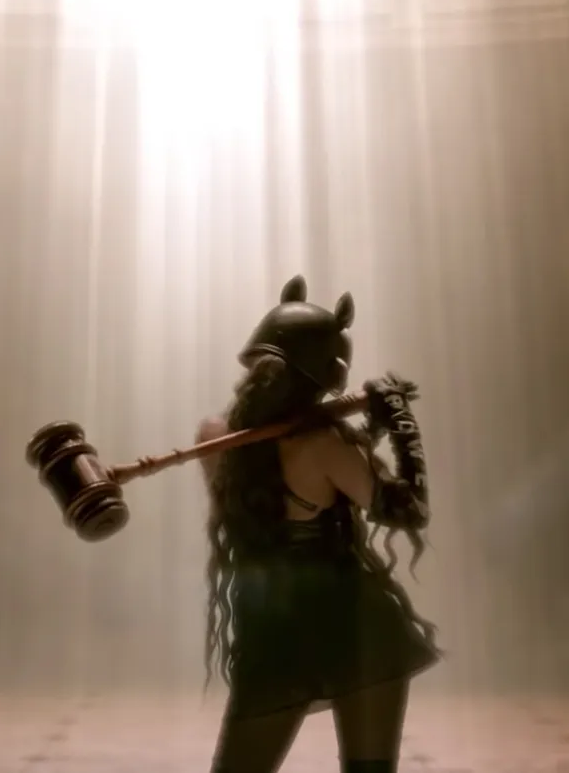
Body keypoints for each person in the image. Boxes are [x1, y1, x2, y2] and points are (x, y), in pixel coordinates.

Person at [198, 275, 440, 773]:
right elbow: (409, 508)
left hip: (272, 631)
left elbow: (289, 484)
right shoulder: (325, 446)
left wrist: (367, 429)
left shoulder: (214, 438)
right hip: (356, 629)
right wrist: (400, 422)